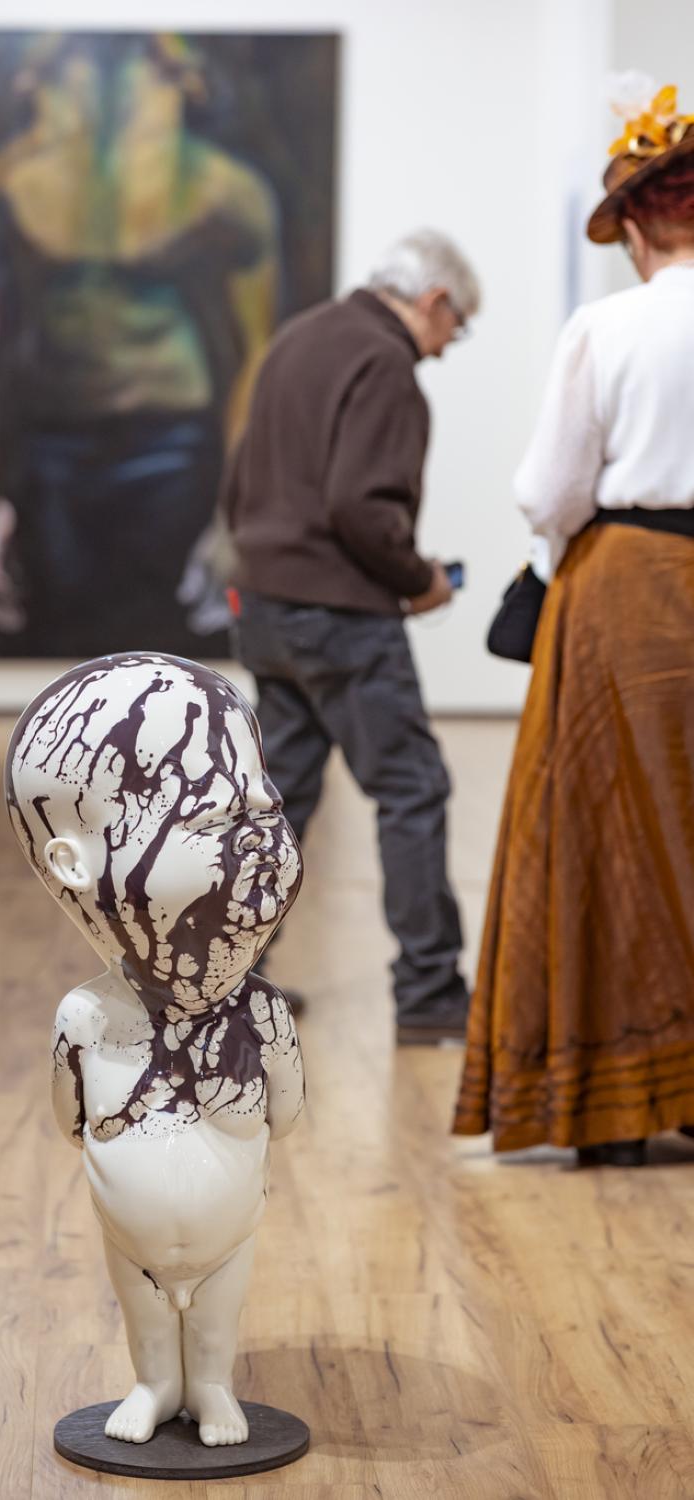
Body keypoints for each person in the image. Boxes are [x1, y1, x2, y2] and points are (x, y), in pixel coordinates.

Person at [453, 77, 694, 1165]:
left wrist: (555, 555)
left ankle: (612, 1103)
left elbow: (548, 491)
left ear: (636, 225)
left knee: (607, 832)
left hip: (625, 592)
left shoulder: (607, 327)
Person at [5, 653, 304, 1446]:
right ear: (72, 863)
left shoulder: (261, 1013)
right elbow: (72, 1120)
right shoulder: (86, 1018)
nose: (261, 845)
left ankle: (211, 1386)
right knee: (143, 1315)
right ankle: (153, 1383)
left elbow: (286, 1115)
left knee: (217, 1319)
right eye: (212, 822)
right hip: (129, 1244)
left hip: (230, 1241)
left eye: (267, 810)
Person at [0, 33, 279, 659]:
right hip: (48, 459)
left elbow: (262, 359)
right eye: (79, 71)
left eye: (145, 70)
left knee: (170, 664)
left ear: (183, 84)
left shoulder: (227, 193)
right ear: (36, 82)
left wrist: (236, 514)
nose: (110, 96)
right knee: (50, 658)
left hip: (177, 457)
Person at [224, 229, 481, 1043]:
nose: (448, 347)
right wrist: (420, 579)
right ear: (433, 301)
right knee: (412, 789)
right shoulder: (386, 364)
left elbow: (238, 480)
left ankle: (227, 984)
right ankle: (431, 995)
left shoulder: (299, 338)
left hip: (264, 606)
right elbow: (361, 508)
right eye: (458, 326)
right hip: (342, 616)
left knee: (278, 802)